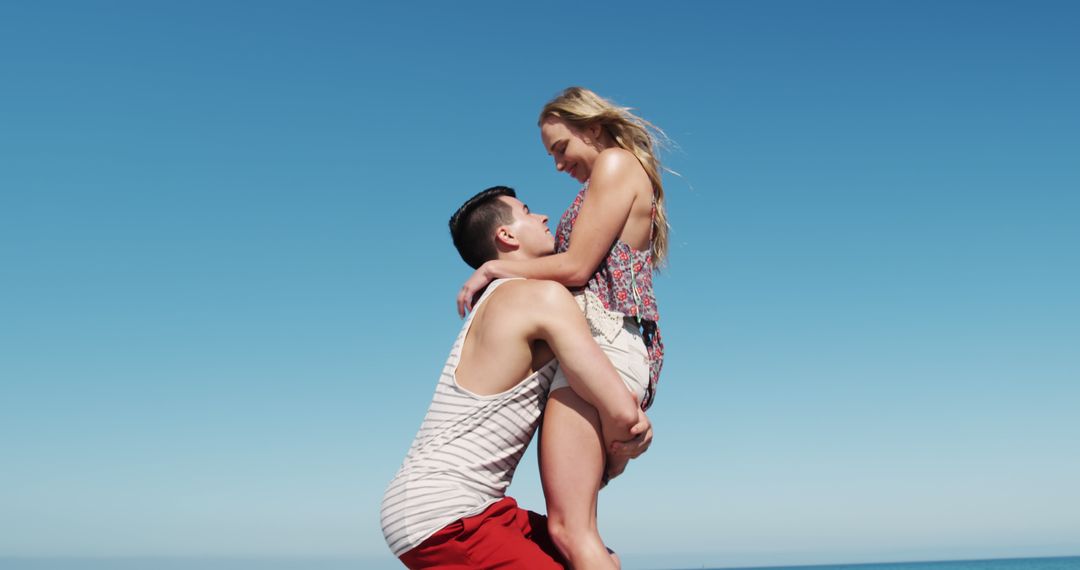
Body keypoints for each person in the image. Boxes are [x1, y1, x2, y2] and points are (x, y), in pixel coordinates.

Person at [381, 186, 653, 569]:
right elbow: (619, 411)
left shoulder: (499, 297)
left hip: (460, 504)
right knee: (587, 552)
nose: (543, 217)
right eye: (527, 211)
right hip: (446, 512)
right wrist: (635, 431)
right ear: (506, 236)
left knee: (599, 557)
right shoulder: (541, 298)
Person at [455, 87, 669, 569]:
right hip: (603, 343)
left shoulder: (615, 164)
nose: (557, 164)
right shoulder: (606, 177)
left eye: (560, 148)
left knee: (570, 531)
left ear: (591, 128)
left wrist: (494, 269)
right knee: (575, 531)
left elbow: (575, 268)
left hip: (607, 342)